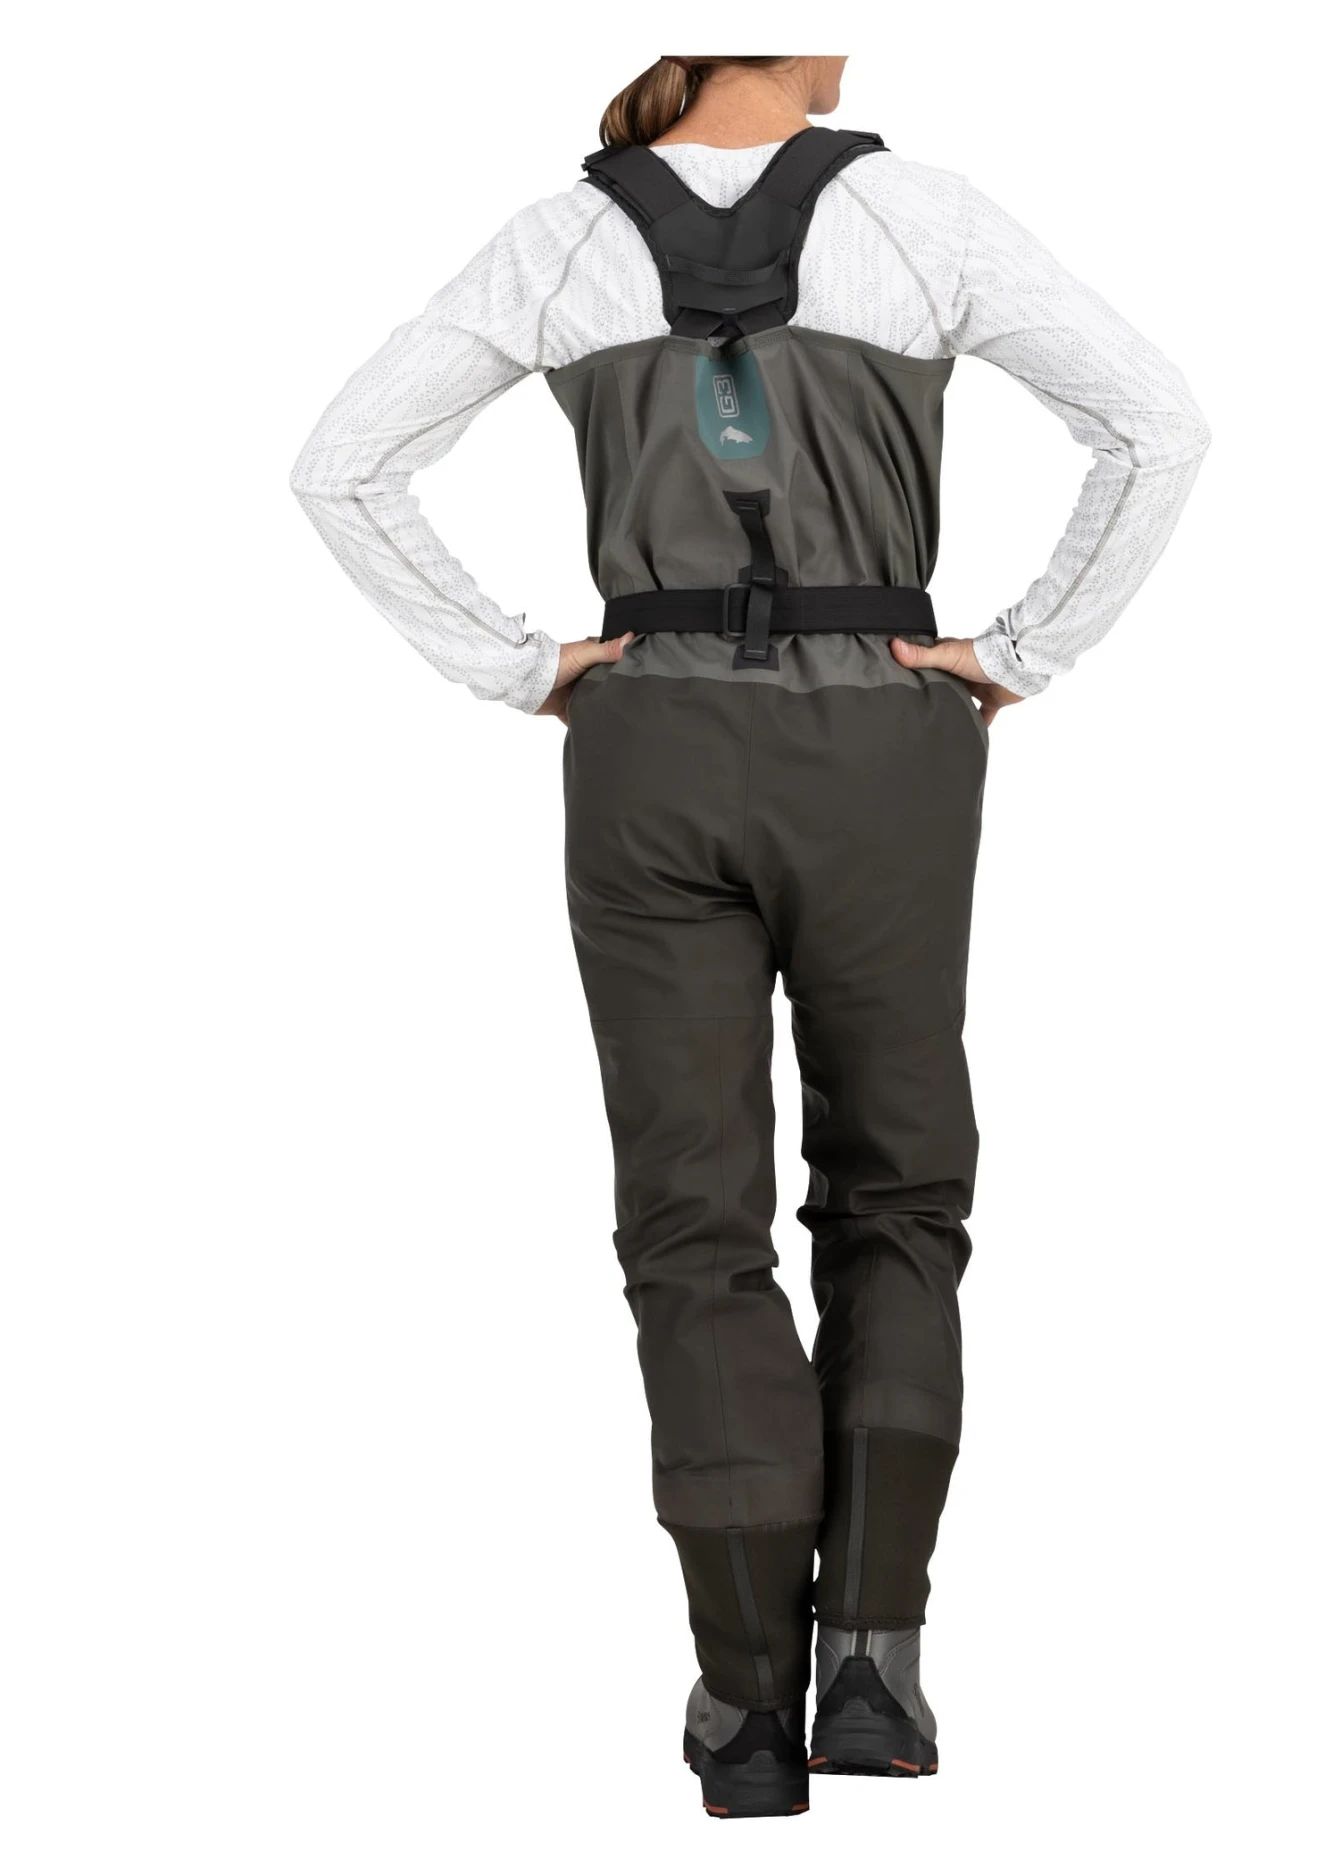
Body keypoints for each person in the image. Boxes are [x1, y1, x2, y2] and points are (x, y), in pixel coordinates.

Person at [289, 54, 1210, 1820]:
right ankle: (872, 1659)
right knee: (898, 1189)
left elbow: (341, 468)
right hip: (885, 744)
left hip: (648, 744)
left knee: (689, 1217)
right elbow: (1159, 425)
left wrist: (523, 667)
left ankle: (742, 1702)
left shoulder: (560, 242)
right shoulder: (922, 219)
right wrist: (1022, 651)